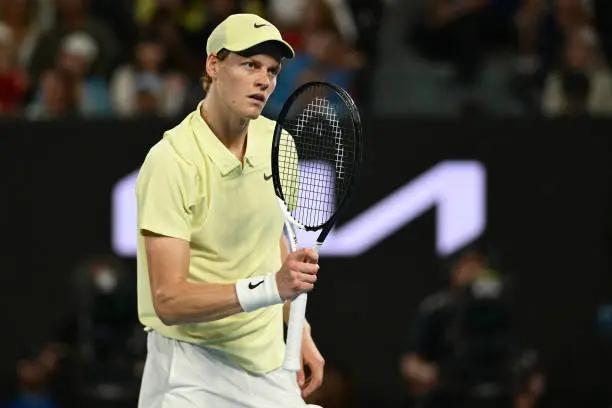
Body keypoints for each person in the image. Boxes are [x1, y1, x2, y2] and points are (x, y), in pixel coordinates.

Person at [135, 13, 325, 408]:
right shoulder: (172, 160)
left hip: (267, 361)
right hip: (189, 368)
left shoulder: (278, 144)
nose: (264, 80)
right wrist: (272, 287)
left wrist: (300, 330)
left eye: (271, 70)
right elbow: (168, 300)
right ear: (213, 65)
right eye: (250, 65)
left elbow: (270, 240)